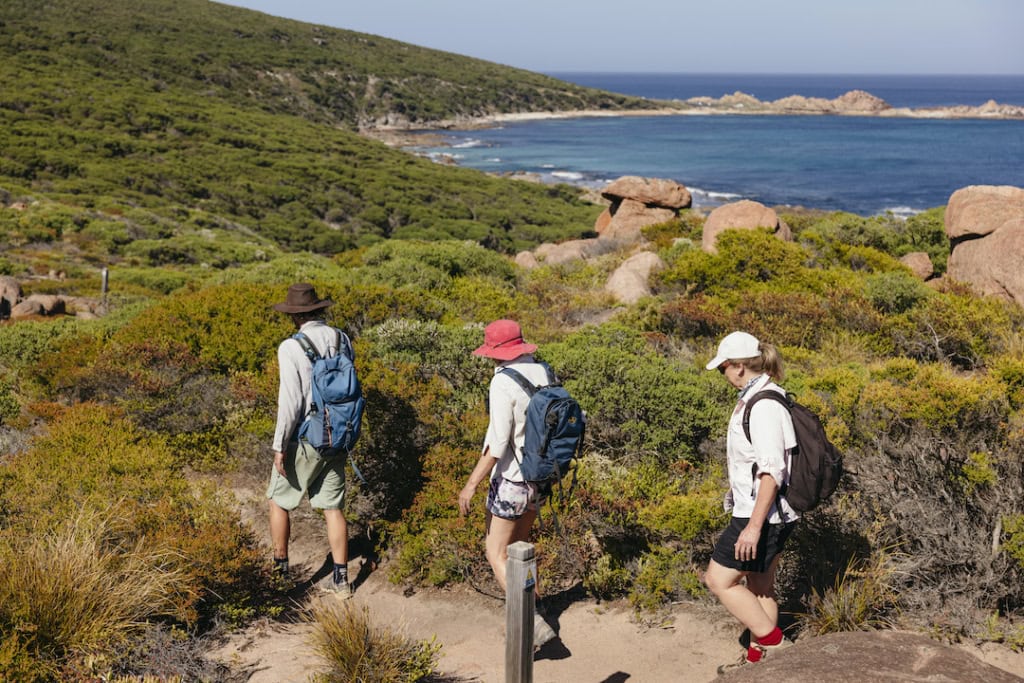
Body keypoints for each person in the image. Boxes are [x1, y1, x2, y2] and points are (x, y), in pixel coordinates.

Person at [458, 319, 558, 648]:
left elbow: (497, 442)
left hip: (513, 478)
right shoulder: (544, 370)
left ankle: (532, 620)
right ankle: (536, 609)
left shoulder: (502, 382)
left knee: (496, 552)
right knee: (521, 550)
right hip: (542, 476)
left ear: (495, 352)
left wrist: (471, 484)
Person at [703, 331, 799, 674]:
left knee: (719, 580)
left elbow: (772, 472)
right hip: (765, 512)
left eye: (723, 369)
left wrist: (753, 528)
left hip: (762, 515)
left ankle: (777, 647)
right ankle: (757, 665)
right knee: (760, 588)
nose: (723, 375)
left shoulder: (765, 406)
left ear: (739, 366)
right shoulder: (756, 397)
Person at [268, 283, 355, 597]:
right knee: (333, 507)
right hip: (339, 434)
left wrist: (279, 446)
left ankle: (279, 573)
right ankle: (342, 581)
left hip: (305, 437)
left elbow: (290, 401)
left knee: (279, 502)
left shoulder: (291, 347)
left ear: (294, 316)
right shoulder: (342, 338)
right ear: (320, 309)